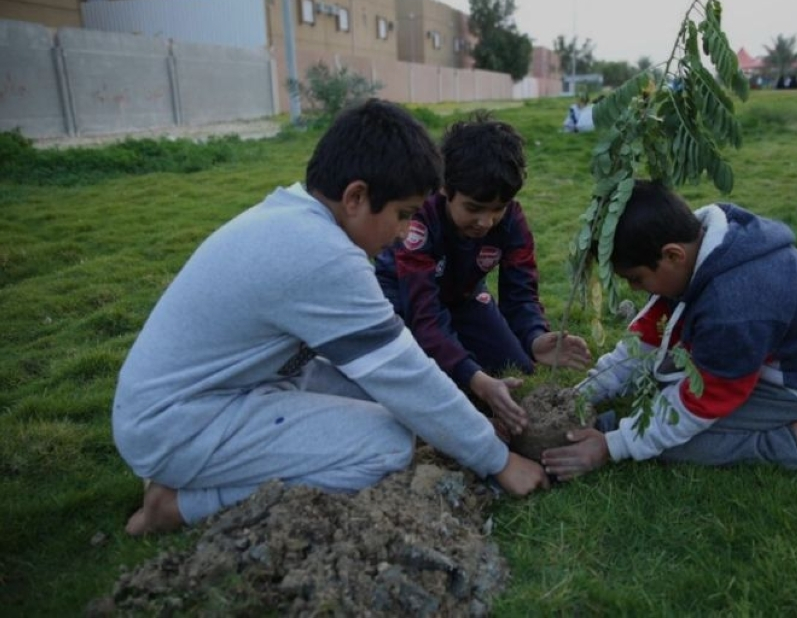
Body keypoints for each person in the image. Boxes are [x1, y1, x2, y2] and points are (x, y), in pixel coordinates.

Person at [112, 99, 549, 536]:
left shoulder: (295, 217)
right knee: (388, 445)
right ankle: (179, 505)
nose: (404, 233)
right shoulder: (322, 255)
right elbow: (404, 374)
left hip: (210, 395)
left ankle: (193, 472)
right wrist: (498, 460)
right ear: (356, 197)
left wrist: (463, 423)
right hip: (176, 425)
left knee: (389, 406)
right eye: (402, 215)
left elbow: (389, 382)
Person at [541, 180, 797, 480]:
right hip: (752, 361)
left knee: (677, 444)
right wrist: (585, 393)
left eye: (636, 278)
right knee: (663, 393)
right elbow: (649, 337)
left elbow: (705, 400)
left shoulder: (734, 304)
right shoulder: (702, 249)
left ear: (672, 255)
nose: (635, 288)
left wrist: (612, 445)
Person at [375, 112, 592, 438]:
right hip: (403, 299)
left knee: (518, 367)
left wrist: (534, 337)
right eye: (474, 208)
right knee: (430, 383)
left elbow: (520, 292)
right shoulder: (419, 221)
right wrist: (473, 377)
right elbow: (425, 314)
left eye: (498, 208)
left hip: (463, 296)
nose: (486, 222)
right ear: (446, 188)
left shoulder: (513, 221)